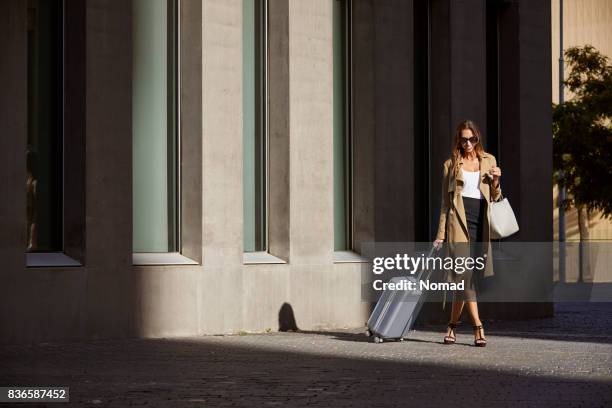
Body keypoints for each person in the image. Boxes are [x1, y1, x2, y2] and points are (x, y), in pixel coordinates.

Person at [433, 120, 502, 347]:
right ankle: (478, 328)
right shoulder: (450, 164)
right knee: (465, 277)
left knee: (465, 281)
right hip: (458, 224)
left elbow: (495, 196)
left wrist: (497, 180)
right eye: (464, 139)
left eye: (472, 139)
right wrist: (440, 234)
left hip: (480, 224)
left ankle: (452, 327)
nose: (468, 143)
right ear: (458, 140)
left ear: (477, 138)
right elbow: (445, 203)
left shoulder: (489, 160)